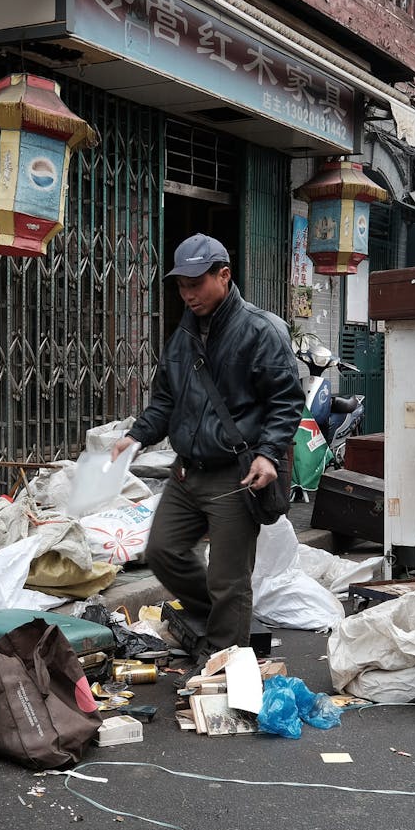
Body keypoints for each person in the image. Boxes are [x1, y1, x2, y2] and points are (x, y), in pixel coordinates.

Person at [110, 233, 304, 678]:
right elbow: (165, 399)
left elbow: (286, 401)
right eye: (182, 285)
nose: (188, 293)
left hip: (236, 472)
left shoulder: (262, 330)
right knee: (163, 550)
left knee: (229, 577)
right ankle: (222, 619)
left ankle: (220, 667)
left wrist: (269, 455)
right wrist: (137, 435)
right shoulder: (182, 335)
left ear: (224, 275)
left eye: (197, 283)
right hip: (187, 471)